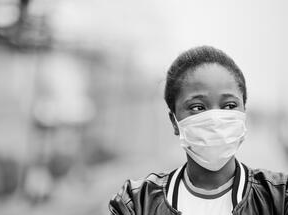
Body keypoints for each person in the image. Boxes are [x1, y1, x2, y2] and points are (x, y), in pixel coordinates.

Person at [108, 46, 288, 215]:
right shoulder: (138, 202)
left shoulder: (278, 197)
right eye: (197, 107)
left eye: (229, 105)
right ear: (174, 122)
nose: (215, 120)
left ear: (244, 113)